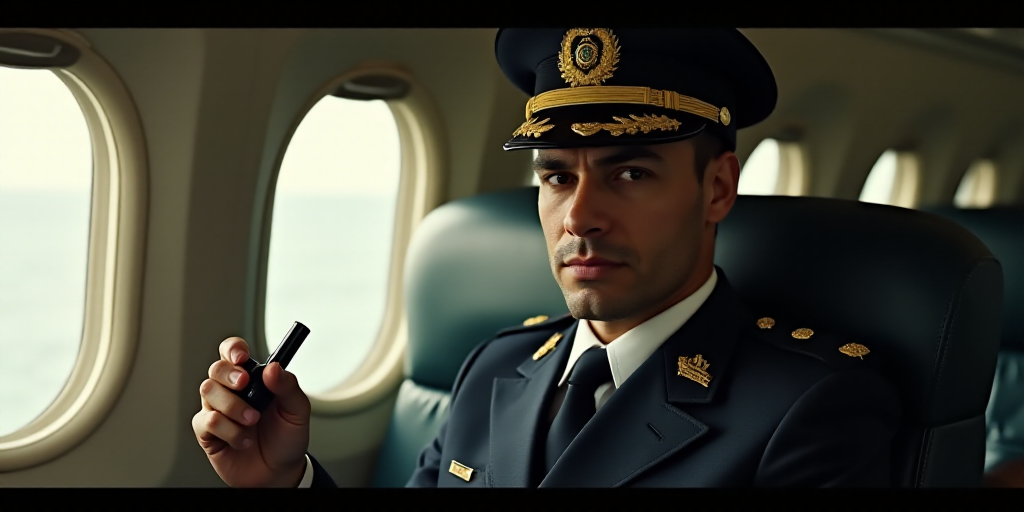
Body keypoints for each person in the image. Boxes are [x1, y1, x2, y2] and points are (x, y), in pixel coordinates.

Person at [193, 27, 903, 487]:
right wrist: (284, 481)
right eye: (557, 176)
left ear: (716, 188)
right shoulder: (495, 367)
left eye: (630, 174)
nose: (581, 216)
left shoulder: (810, 405)